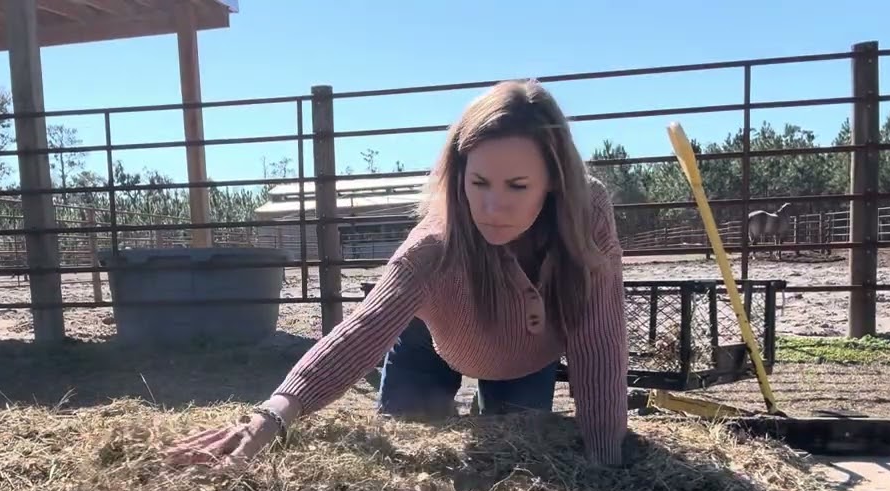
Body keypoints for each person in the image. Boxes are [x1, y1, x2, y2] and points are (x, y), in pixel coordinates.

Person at [167, 79, 629, 467]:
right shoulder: (433, 246)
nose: (492, 207)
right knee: (408, 452)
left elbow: (599, 334)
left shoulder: (586, 214)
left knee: (520, 462)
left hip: (528, 354)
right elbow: (362, 331)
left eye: (518, 186)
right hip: (432, 340)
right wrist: (273, 414)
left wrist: (606, 457)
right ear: (460, 175)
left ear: (553, 180)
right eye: (479, 182)